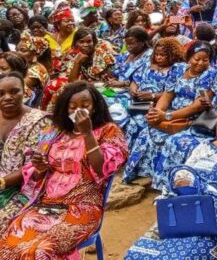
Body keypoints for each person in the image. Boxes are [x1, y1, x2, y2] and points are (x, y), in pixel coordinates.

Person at [124, 98, 217, 260]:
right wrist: (179, 181)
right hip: (184, 211)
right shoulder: (204, 145)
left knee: (183, 257)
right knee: (137, 254)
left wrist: (206, 189)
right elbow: (185, 173)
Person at [0, 81, 127, 259]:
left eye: (85, 105)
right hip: (45, 205)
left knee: (40, 250)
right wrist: (41, 167)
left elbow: (102, 169)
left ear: (95, 107)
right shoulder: (55, 133)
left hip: (83, 208)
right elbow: (36, 175)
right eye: (72, 106)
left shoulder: (108, 131)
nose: (78, 111)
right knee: (7, 244)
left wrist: (87, 133)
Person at [122, 41, 217, 186]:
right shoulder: (179, 69)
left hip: (192, 121)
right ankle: (145, 173)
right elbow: (168, 95)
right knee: (145, 132)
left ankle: (165, 183)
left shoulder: (211, 74)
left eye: (205, 60)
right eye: (196, 58)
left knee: (173, 141)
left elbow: (198, 105)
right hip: (170, 115)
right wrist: (158, 112)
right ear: (189, 57)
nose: (200, 63)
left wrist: (167, 116)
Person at [0, 72, 50, 234]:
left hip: (25, 190)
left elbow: (33, 167)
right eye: (1, 94)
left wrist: (2, 182)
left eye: (14, 92)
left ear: (25, 92)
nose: (7, 97)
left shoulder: (40, 121)